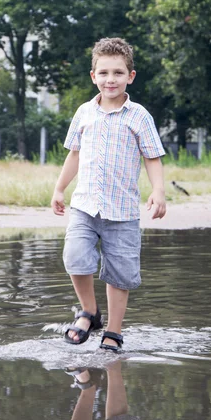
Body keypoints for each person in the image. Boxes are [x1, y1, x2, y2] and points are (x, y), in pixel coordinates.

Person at [51, 37, 166, 351]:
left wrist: (158, 190)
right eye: (103, 73)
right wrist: (60, 188)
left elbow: (152, 157)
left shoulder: (139, 116)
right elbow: (73, 154)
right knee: (74, 257)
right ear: (93, 76)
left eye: (117, 73)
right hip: (85, 205)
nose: (110, 79)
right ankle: (89, 310)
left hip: (123, 211)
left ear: (130, 76)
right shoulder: (84, 113)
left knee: (120, 274)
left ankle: (113, 331)